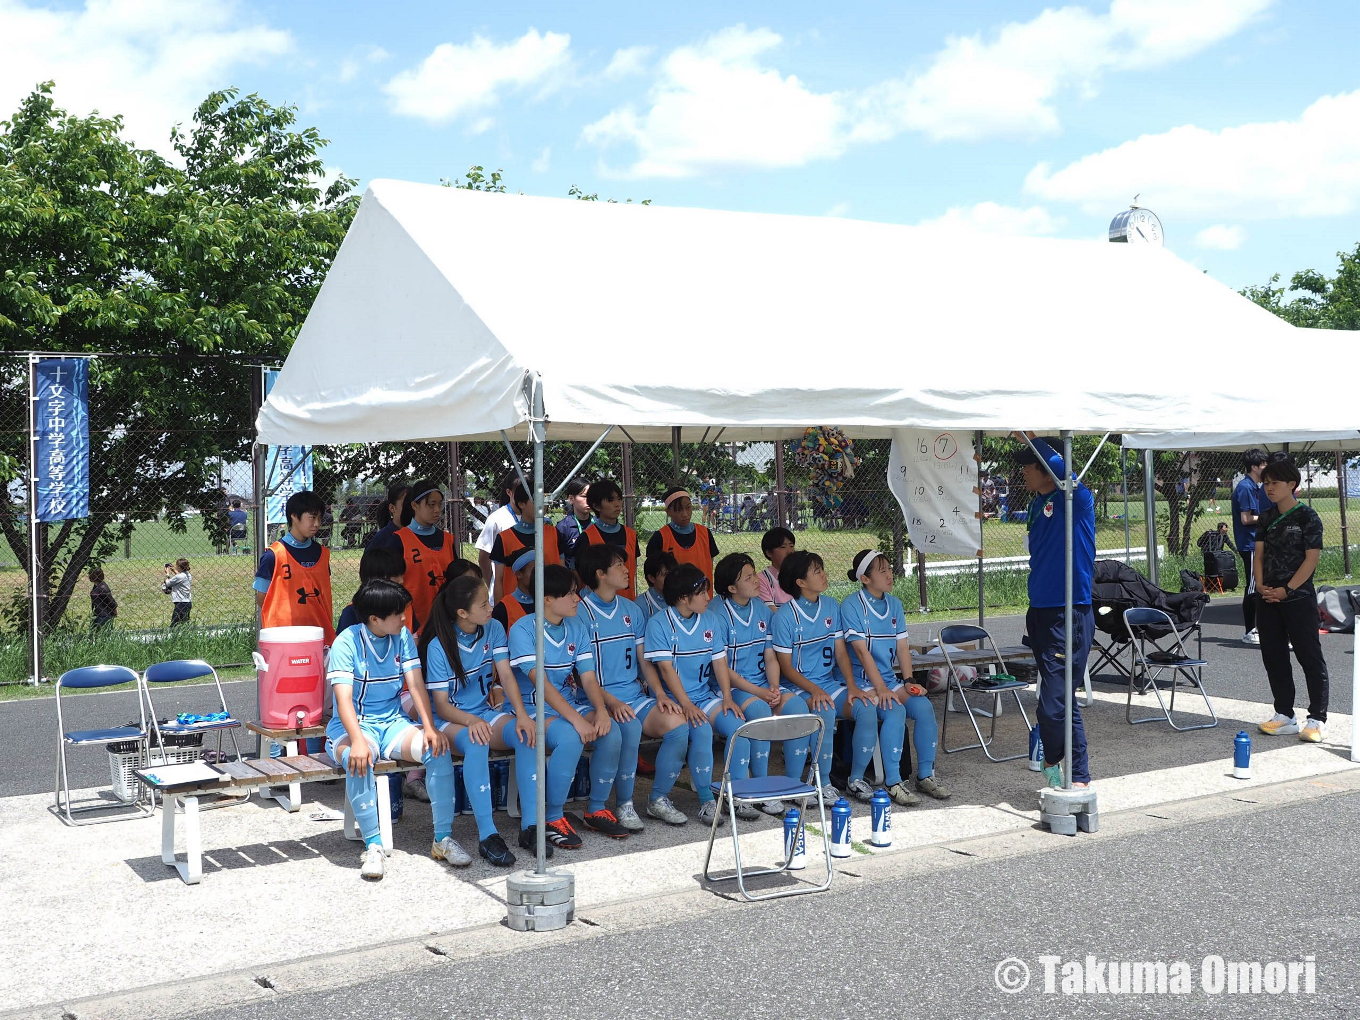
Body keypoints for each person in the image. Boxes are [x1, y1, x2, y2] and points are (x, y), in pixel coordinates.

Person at [325, 579, 451, 880]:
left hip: (393, 723)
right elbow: (343, 700)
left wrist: (430, 727)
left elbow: (416, 684)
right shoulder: (347, 642)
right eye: (399, 613)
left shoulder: (403, 636)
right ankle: (373, 845)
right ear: (375, 619)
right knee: (361, 757)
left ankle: (443, 840)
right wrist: (356, 741)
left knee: (437, 749)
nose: (406, 618)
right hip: (353, 724)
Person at [417, 574, 538, 866]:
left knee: (526, 734)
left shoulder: (493, 628)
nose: (491, 607)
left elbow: (506, 675)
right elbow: (443, 707)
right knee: (477, 741)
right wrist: (472, 721)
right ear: (462, 613)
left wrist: (522, 715)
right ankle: (488, 834)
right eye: (484, 604)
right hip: (452, 719)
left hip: (482, 714)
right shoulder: (438, 645)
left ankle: (531, 827)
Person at [575, 542, 691, 834]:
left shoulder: (631, 610)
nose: (628, 570)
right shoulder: (579, 612)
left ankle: (658, 799)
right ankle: (621, 804)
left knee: (678, 726)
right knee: (628, 727)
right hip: (592, 699)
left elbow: (644, 661)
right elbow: (580, 675)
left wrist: (660, 694)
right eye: (619, 566)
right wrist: (610, 702)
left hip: (633, 696)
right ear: (600, 573)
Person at [1014, 433, 1095, 790]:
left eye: (1029, 466)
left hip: (1068, 613)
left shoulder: (1075, 498)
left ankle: (1051, 758)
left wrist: (1031, 438)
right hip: (1041, 612)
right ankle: (1078, 777)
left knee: (1053, 704)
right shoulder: (1036, 504)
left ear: (1047, 468)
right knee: (1062, 699)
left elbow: (1063, 467)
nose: (1023, 474)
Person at [840, 549, 950, 806]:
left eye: (889, 569)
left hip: (888, 681)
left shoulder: (895, 605)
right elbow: (860, 651)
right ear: (865, 579)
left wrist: (909, 681)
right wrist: (880, 689)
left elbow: (902, 647)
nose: (890, 574)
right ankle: (892, 781)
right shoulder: (851, 605)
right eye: (882, 571)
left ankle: (925, 776)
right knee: (893, 709)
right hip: (859, 682)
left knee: (923, 707)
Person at [507, 565, 603, 850]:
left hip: (566, 705)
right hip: (530, 709)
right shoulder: (524, 629)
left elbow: (587, 676)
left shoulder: (576, 626)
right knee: (571, 736)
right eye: (571, 593)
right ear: (547, 598)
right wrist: (577, 720)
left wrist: (601, 710)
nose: (578, 599)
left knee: (616, 730)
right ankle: (552, 816)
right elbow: (542, 684)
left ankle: (597, 809)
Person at [771, 550, 873, 803]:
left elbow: (841, 653)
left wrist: (852, 687)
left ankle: (856, 779)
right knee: (825, 710)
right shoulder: (785, 616)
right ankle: (821, 781)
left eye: (822, 568)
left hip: (827, 684)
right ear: (800, 582)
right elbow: (785, 667)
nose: (824, 574)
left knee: (866, 708)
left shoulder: (830, 605)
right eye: (817, 571)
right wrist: (815, 691)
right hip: (796, 686)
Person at [642, 563, 726, 826]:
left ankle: (720, 797)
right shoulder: (659, 623)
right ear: (682, 597)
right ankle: (672, 800)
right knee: (690, 731)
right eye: (701, 592)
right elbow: (665, 670)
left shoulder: (710, 619)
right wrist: (687, 705)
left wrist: (728, 697)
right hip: (670, 698)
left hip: (702, 696)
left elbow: (720, 662)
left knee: (724, 727)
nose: (707, 597)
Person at [1254, 458, 1329, 742]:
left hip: (1298, 598)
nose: (1269, 488)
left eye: (1275, 483)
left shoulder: (1307, 517)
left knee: (1309, 656)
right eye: (1266, 483)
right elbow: (1258, 555)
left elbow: (1311, 560)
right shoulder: (1266, 517)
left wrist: (1287, 588)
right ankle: (1284, 715)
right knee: (1274, 656)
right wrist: (1260, 585)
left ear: (1292, 485)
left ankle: (1317, 719)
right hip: (1268, 598)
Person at [709, 553, 787, 818]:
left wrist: (774, 687)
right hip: (728, 687)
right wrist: (761, 693)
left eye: (755, 573)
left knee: (795, 706)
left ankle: (764, 787)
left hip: (760, 684)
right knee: (761, 713)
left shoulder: (762, 609)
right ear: (731, 588)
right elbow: (722, 667)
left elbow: (770, 655)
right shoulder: (717, 614)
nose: (757, 580)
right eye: (749, 577)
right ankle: (745, 791)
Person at [372, 480, 455, 633]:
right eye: (431, 504)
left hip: (445, 622)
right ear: (415, 505)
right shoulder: (398, 540)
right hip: (411, 625)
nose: (437, 509)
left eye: (440, 504)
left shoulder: (448, 539)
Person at [255, 489, 335, 644]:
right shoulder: (273, 555)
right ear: (294, 516)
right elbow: (262, 598)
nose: (317, 524)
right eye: (312, 518)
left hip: (320, 637)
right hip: (284, 639)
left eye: (319, 518)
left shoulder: (323, 554)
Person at [488, 481, 564, 602]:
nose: (543, 505)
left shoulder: (555, 533)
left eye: (545, 499)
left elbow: (562, 570)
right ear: (521, 503)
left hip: (551, 606)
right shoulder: (504, 538)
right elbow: (499, 580)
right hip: (515, 610)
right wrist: (500, 614)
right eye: (537, 500)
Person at [573, 478, 642, 601]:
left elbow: (633, 568)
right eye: (610, 500)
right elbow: (578, 573)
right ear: (596, 506)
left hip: (628, 603)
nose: (617, 504)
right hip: (597, 606)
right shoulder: (587, 538)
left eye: (619, 499)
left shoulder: (631, 535)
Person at [646, 486, 720, 586]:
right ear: (668, 512)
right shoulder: (660, 538)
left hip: (702, 596)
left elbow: (710, 564)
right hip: (673, 599)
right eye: (678, 510)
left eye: (688, 507)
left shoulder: (705, 533)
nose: (685, 514)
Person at [1232, 449, 1267, 645]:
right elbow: (1246, 519)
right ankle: (1249, 630)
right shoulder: (1245, 487)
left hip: (1256, 542)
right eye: (1263, 464)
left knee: (1258, 585)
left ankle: (1258, 627)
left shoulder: (1254, 486)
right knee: (1253, 586)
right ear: (1254, 467)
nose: (1266, 468)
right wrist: (1268, 518)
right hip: (1250, 544)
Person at [476, 469, 525, 595]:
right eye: (520, 490)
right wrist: (492, 583)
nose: (525, 494)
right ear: (509, 492)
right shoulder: (496, 519)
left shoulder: (538, 519)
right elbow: (484, 558)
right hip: (504, 593)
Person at [493, 550, 538, 632]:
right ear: (519, 574)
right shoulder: (503, 608)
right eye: (535, 571)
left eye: (542, 569)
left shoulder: (549, 601)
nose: (540, 574)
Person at [555, 479, 592, 570]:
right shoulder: (563, 528)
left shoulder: (598, 524)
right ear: (571, 499)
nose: (589, 500)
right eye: (583, 496)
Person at [757, 527, 796, 609]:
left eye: (791, 546)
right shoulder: (761, 580)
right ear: (769, 553)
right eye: (783, 547)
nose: (790, 551)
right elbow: (771, 612)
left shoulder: (800, 575)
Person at [365, 482, 410, 551]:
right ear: (392, 508)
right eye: (406, 504)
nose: (411, 508)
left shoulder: (423, 534)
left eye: (414, 504)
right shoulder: (380, 542)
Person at [637, 551, 675, 624]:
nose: (672, 578)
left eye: (673, 573)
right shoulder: (641, 605)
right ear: (651, 578)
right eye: (665, 575)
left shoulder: (684, 598)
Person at [162, 558, 192, 626]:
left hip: (180, 604)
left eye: (176, 566)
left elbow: (168, 583)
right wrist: (174, 570)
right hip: (188, 603)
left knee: (174, 625)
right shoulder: (188, 575)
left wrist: (167, 574)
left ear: (179, 567)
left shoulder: (179, 577)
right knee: (184, 624)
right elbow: (180, 577)